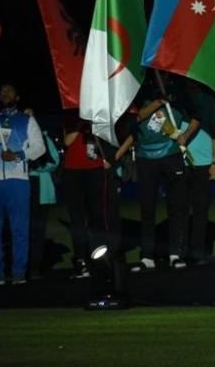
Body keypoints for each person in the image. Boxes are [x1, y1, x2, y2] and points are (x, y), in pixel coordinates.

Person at [0, 83, 47, 286]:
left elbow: (39, 148)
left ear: (17, 96)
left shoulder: (26, 119)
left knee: (20, 229)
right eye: (1, 90)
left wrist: (18, 155)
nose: (4, 93)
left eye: (9, 90)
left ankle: (18, 272)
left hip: (18, 181)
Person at [132, 76, 195, 272]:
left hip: (172, 155)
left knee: (176, 207)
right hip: (145, 157)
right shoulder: (138, 92)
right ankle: (147, 256)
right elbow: (136, 118)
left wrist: (184, 136)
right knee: (147, 209)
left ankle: (175, 255)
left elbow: (196, 116)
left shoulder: (178, 91)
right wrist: (159, 102)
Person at [62, 112, 129, 279]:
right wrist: (81, 122)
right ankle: (80, 261)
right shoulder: (70, 119)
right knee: (77, 219)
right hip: (72, 172)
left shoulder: (100, 118)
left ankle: (100, 259)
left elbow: (121, 137)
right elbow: (67, 141)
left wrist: (111, 159)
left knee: (98, 218)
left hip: (95, 171)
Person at [181, 78, 215, 262]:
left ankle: (198, 251)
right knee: (179, 210)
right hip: (179, 162)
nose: (190, 81)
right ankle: (180, 251)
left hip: (203, 162)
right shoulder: (175, 99)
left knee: (200, 210)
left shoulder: (208, 101)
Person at [28, 126, 60, 279]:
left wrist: (36, 166)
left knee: (37, 231)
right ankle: (21, 267)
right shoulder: (18, 136)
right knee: (22, 231)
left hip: (41, 190)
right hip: (23, 188)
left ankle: (35, 267)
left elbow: (55, 161)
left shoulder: (45, 138)